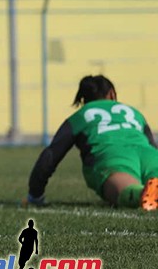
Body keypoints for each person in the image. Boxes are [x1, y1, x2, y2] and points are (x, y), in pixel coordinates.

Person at [25, 74, 158, 211]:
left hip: (112, 156)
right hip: (149, 154)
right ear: (112, 94)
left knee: (132, 192)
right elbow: (152, 145)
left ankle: (140, 193)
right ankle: (151, 187)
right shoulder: (134, 112)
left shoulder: (80, 116)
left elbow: (51, 155)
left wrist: (35, 194)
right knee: (153, 173)